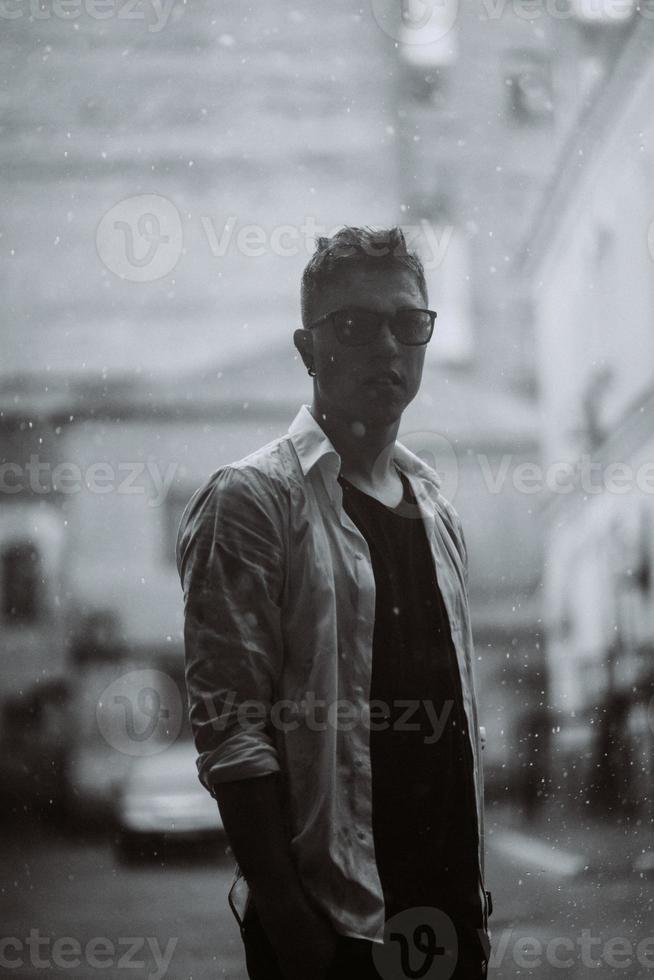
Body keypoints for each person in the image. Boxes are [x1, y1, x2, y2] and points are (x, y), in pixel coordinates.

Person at [177, 226, 492, 980]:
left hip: (447, 921)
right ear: (306, 348)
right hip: (334, 930)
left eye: (407, 323)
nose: (386, 345)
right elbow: (231, 733)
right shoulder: (253, 501)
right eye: (353, 325)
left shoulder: (436, 509)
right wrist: (291, 923)